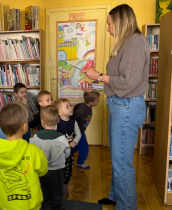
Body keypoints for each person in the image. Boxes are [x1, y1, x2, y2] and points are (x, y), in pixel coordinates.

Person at [81, 4, 149, 210]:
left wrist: (100, 76)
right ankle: (116, 196)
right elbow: (118, 80)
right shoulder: (125, 43)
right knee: (117, 157)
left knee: (122, 163)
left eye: (110, 24)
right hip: (120, 106)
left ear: (120, 22)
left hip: (126, 108)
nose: (108, 28)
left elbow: (128, 82)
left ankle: (126, 206)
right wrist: (94, 82)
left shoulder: (135, 42)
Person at [0, 102, 48, 210]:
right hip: (30, 205)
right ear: (24, 126)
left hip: (5, 204)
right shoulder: (34, 151)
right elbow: (43, 170)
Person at [29, 105, 70, 210]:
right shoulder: (61, 138)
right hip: (57, 171)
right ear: (58, 120)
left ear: (42, 122)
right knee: (57, 191)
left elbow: (32, 152)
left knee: (42, 189)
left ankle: (43, 206)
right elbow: (67, 153)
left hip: (41, 170)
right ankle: (56, 207)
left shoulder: (36, 136)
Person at [53, 98, 81, 198]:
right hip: (58, 153)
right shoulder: (56, 122)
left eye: (70, 106)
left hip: (69, 152)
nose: (70, 108)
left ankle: (65, 186)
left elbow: (78, 134)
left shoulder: (73, 122)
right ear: (60, 112)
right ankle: (56, 188)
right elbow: (53, 135)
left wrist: (74, 141)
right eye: (67, 107)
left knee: (68, 171)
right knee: (58, 170)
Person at [73, 92, 100, 169]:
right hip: (78, 132)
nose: (98, 101)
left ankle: (66, 155)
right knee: (84, 147)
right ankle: (80, 162)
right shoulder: (83, 108)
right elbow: (73, 116)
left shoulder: (87, 106)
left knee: (77, 146)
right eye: (97, 100)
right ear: (91, 102)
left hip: (80, 131)